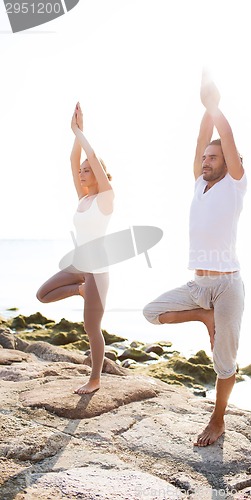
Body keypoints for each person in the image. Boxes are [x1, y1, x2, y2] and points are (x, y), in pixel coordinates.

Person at [143, 71, 247, 446]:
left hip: (227, 287)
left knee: (225, 363)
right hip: (197, 286)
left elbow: (227, 140)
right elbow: (202, 138)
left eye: (212, 157)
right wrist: (206, 107)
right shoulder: (199, 183)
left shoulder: (235, 183)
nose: (205, 160)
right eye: (204, 157)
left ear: (229, 162)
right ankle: (204, 317)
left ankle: (217, 420)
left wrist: (217, 107)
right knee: (152, 312)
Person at [36, 102, 114, 395]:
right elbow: (74, 161)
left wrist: (80, 131)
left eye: (87, 171)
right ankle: (78, 290)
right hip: (79, 265)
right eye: (81, 171)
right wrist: (74, 134)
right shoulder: (82, 198)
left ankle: (95, 379)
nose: (81, 173)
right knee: (43, 294)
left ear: (97, 174)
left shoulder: (105, 198)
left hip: (98, 268)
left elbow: (90, 157)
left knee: (91, 327)